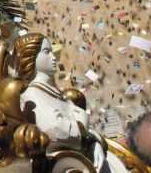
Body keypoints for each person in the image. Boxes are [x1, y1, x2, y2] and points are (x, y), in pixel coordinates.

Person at [13, 33, 127, 173]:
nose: (54, 57)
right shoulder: (32, 97)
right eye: (46, 52)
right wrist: (82, 121)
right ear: (30, 57)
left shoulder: (57, 95)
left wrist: (93, 142)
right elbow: (60, 133)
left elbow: (79, 132)